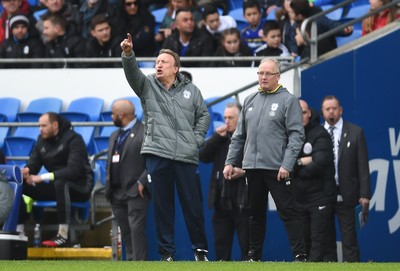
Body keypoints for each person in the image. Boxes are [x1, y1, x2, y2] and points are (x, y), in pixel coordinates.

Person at [121, 34, 210, 261]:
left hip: (186, 156)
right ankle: (166, 253)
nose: (158, 65)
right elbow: (132, 74)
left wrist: (196, 140)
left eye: (163, 62)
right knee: (163, 208)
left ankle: (200, 250)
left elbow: (204, 117)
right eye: (157, 62)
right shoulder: (147, 85)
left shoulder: (193, 90)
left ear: (176, 68)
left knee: (193, 207)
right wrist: (129, 54)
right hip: (157, 154)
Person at [223, 58, 307, 262]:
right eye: (260, 73)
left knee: (288, 212)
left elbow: (297, 135)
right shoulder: (250, 99)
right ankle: (254, 256)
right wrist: (229, 161)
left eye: (268, 73)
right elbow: (239, 136)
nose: (263, 77)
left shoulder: (288, 100)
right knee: (255, 214)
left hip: (277, 168)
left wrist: (287, 164)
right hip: (252, 167)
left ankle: (300, 255)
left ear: (278, 76)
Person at [17, 112, 94, 247]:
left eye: (44, 125)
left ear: (55, 125)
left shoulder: (74, 139)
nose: (40, 129)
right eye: (39, 126)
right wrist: (26, 172)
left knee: (61, 183)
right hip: (57, 187)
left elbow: (73, 171)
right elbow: (34, 163)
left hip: (80, 188)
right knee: (19, 183)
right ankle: (18, 232)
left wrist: (41, 177)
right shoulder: (41, 140)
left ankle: (63, 234)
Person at [321, 95, 371, 262]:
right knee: (327, 242)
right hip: (324, 195)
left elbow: (363, 165)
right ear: (322, 112)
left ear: (341, 110)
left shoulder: (356, 132)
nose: (331, 111)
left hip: (348, 195)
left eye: (334, 108)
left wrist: (365, 194)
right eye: (327, 109)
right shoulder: (318, 134)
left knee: (349, 240)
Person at [199, 103, 249, 261]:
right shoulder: (220, 138)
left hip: (244, 202)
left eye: (231, 118)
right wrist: (215, 138)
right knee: (222, 251)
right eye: (225, 118)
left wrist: (243, 173)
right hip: (221, 202)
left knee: (247, 250)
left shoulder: (249, 137)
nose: (227, 121)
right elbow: (203, 156)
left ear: (240, 118)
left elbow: (260, 164)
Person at [104, 99, 150, 260]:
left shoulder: (144, 132)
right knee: (126, 234)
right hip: (116, 193)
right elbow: (110, 162)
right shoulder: (114, 136)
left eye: (113, 114)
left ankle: (140, 265)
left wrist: (142, 182)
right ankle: (131, 263)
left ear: (121, 115)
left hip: (135, 192)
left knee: (137, 232)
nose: (111, 117)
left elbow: (153, 160)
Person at [293, 99, 336, 261]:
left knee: (321, 245)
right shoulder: (289, 135)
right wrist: (302, 161)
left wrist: (296, 170)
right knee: (305, 244)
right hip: (299, 198)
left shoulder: (320, 133)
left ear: (309, 113)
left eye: (303, 112)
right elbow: (283, 162)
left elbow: (321, 162)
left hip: (320, 196)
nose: (300, 116)